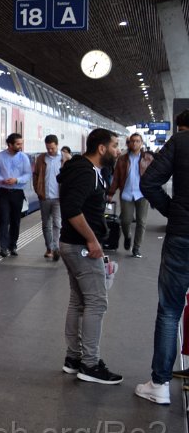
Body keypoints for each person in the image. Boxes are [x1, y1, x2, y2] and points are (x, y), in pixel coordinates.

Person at [57, 127, 121, 384]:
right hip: (82, 247)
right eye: (115, 146)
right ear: (102, 148)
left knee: (79, 302)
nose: (118, 150)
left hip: (71, 244)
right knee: (97, 303)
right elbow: (72, 209)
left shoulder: (82, 168)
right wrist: (92, 239)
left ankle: (73, 359)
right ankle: (90, 364)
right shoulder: (86, 172)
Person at [134, 115, 189, 404]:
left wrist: (173, 211)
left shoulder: (180, 142)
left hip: (182, 235)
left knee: (170, 310)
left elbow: (149, 182)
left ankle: (160, 385)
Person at [108, 133, 153, 258]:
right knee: (125, 221)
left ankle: (137, 248)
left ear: (142, 143)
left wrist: (154, 193)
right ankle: (127, 236)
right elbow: (116, 177)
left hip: (142, 194)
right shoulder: (122, 159)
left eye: (137, 141)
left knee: (141, 222)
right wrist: (111, 193)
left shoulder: (148, 159)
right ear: (129, 143)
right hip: (127, 194)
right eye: (132, 141)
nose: (135, 143)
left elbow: (154, 177)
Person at [0, 133, 32, 257]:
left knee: (15, 221)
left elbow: (28, 174)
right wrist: (1, 180)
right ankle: (3, 247)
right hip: (4, 192)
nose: (20, 146)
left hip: (18, 193)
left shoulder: (23, 157)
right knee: (4, 219)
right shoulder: (0, 157)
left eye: (21, 143)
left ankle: (12, 245)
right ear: (10, 144)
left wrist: (17, 180)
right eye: (18, 144)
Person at [33, 135, 69, 260]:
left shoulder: (66, 158)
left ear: (57, 145)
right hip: (45, 196)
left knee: (57, 223)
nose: (50, 151)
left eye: (52, 148)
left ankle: (55, 248)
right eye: (48, 148)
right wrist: (38, 190)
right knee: (46, 224)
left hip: (59, 197)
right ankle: (49, 247)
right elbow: (36, 175)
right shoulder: (41, 159)